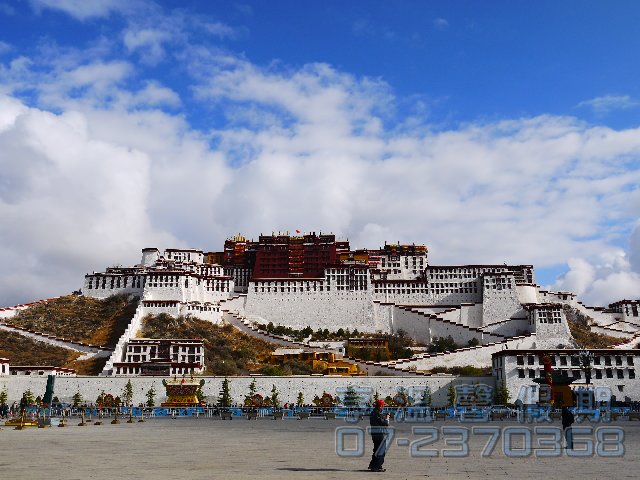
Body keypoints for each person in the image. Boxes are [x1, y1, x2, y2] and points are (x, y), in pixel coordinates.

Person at [368, 399, 390, 472]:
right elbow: (385, 423)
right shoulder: (377, 414)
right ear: (380, 406)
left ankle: (373, 465)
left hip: (375, 433)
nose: (383, 407)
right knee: (380, 451)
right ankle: (377, 466)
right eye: (383, 406)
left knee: (376, 450)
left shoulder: (374, 412)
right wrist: (387, 418)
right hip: (379, 434)